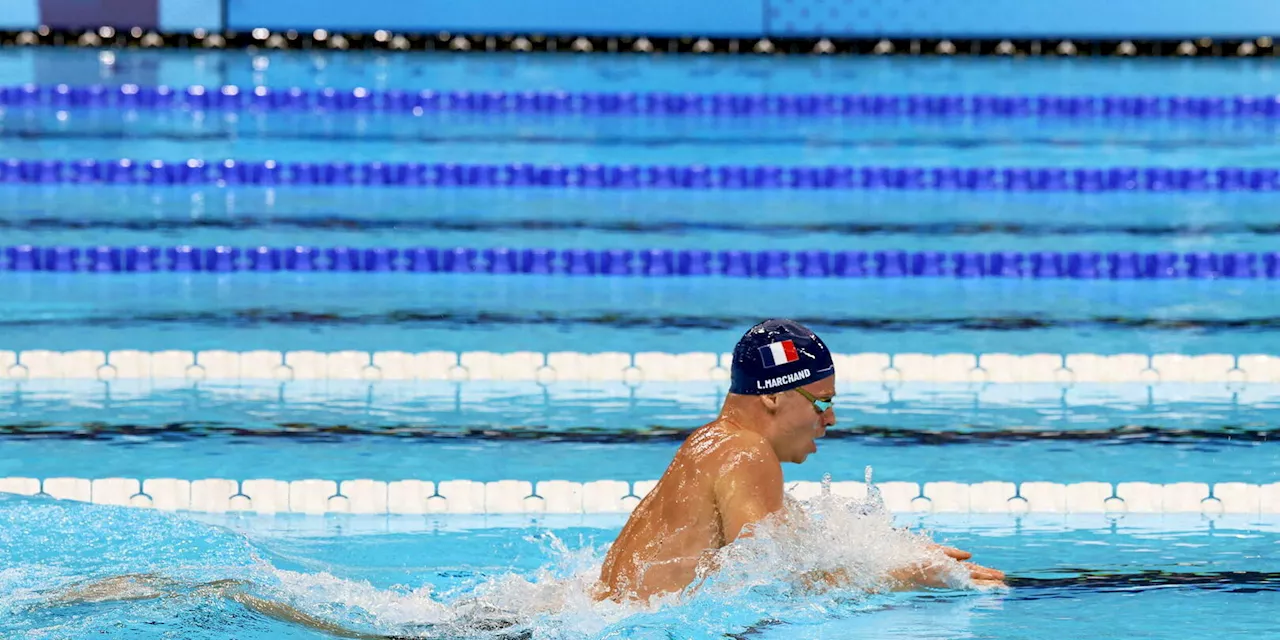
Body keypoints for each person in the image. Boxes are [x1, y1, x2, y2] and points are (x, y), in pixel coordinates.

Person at [594, 318, 1005, 602]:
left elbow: (793, 552)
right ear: (773, 397)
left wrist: (896, 553)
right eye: (821, 402)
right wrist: (907, 577)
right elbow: (771, 584)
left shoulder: (714, 444)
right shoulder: (745, 451)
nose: (831, 418)